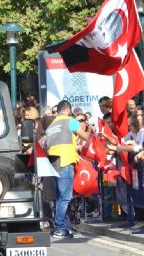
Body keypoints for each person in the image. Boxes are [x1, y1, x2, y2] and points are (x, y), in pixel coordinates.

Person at [45, 100, 90, 239]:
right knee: (65, 198)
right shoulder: (70, 121)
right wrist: (89, 130)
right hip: (65, 161)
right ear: (68, 110)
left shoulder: (51, 125)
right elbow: (85, 137)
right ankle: (59, 228)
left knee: (60, 197)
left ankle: (63, 227)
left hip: (53, 164)